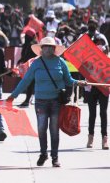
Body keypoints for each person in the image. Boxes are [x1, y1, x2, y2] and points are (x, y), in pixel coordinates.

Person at [7, 37, 86, 168]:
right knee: (42, 129)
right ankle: (43, 153)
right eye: (45, 46)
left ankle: (55, 157)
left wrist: (78, 83)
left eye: (51, 47)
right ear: (41, 49)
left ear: (54, 49)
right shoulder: (36, 64)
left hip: (56, 101)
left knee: (54, 130)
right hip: (40, 102)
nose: (48, 49)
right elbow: (25, 80)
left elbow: (68, 80)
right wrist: (13, 95)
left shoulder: (61, 62)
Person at [85, 18, 109, 149]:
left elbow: (107, 53)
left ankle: (105, 138)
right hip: (91, 82)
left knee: (103, 112)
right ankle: (90, 137)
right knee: (92, 113)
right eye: (90, 24)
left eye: (93, 24)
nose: (91, 26)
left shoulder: (102, 38)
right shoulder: (84, 38)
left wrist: (100, 48)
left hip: (103, 81)